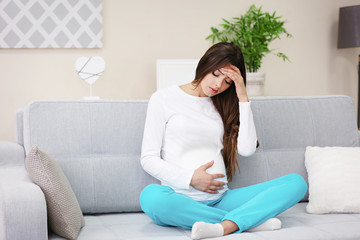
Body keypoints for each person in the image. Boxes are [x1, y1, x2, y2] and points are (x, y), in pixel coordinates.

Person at [139, 42, 307, 239]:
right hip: (179, 198)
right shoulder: (163, 99)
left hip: (222, 199)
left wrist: (242, 97)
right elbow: (148, 158)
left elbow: (246, 149)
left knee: (297, 183)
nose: (218, 85)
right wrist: (191, 178)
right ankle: (246, 222)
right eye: (216, 74)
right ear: (206, 64)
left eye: (228, 81)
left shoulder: (224, 104)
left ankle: (226, 225)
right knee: (151, 198)